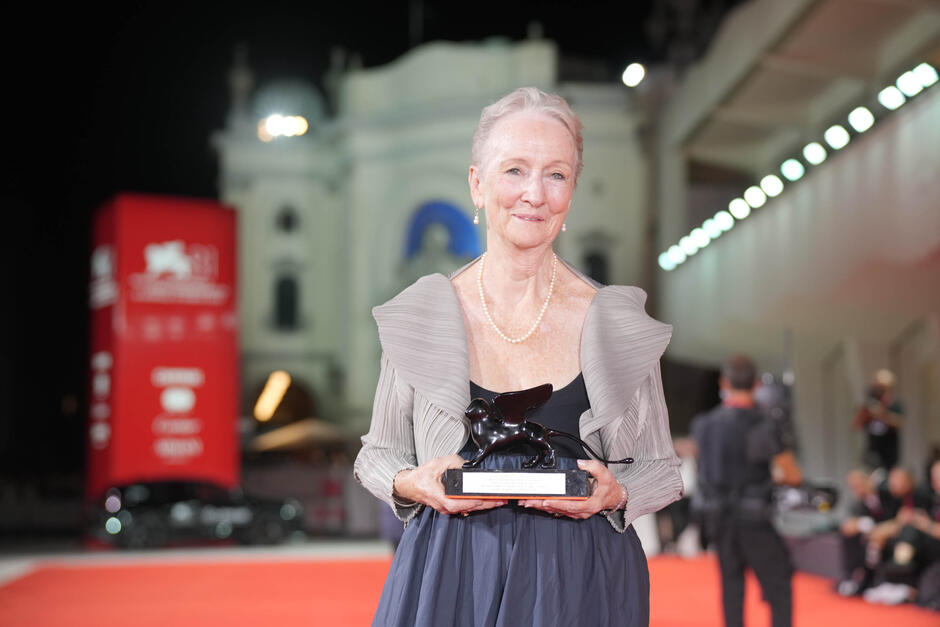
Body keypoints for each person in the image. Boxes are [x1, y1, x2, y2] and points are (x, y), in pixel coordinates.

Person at [353, 87, 684, 626]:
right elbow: (377, 454)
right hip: (451, 578)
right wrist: (414, 482)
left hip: (582, 581)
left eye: (556, 174)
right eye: (514, 170)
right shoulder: (424, 314)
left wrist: (614, 491)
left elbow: (662, 469)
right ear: (476, 185)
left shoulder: (617, 322)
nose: (535, 193)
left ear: (572, 192)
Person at [691, 354, 801, 627]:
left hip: (718, 519)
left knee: (731, 587)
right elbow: (791, 474)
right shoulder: (764, 424)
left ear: (724, 382)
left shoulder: (703, 425)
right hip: (755, 519)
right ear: (755, 384)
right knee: (778, 587)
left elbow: (704, 470)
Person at [853, 369, 903, 471]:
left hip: (890, 455)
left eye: (883, 388)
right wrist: (866, 412)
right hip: (872, 454)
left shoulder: (894, 405)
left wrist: (882, 414)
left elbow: (898, 423)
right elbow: (856, 425)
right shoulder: (869, 405)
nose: (879, 390)